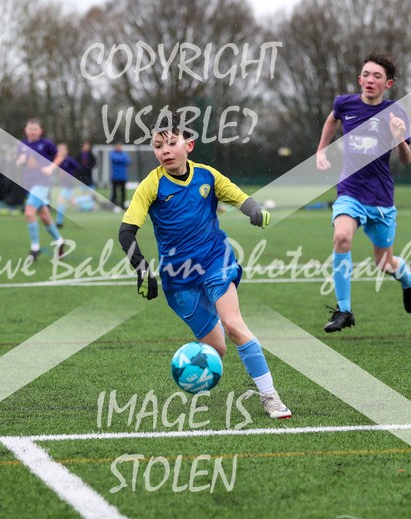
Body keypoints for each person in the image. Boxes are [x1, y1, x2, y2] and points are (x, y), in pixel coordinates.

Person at [118, 114, 291, 419]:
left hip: (215, 262)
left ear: (189, 145)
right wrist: (142, 269)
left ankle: (270, 396)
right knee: (216, 351)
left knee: (235, 326)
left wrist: (254, 211)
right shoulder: (152, 184)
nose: (165, 150)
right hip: (178, 279)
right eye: (158, 146)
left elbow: (240, 198)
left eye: (172, 142)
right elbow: (126, 231)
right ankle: (194, 373)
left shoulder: (208, 177)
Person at [315, 53, 411, 333]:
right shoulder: (344, 103)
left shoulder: (395, 112)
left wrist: (399, 139)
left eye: (377, 76)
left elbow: (407, 159)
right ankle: (344, 310)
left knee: (384, 263)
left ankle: (408, 278)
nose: (370, 80)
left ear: (388, 84)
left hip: (381, 198)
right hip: (350, 191)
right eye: (366, 74)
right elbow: (331, 121)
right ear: (359, 78)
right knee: (341, 236)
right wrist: (321, 150)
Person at [16, 118, 64, 261]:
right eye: (30, 128)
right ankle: (60, 241)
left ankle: (35, 248)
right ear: (25, 130)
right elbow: (19, 163)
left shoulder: (45, 144)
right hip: (29, 184)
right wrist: (21, 161)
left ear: (40, 131)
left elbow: (60, 155)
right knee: (44, 216)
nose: (32, 131)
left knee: (29, 213)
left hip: (42, 183)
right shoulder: (22, 145)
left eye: (35, 129)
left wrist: (51, 168)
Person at [52, 143, 82, 227]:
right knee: (72, 202)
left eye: (62, 150)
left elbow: (78, 168)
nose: (60, 151)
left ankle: (59, 222)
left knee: (60, 201)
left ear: (66, 151)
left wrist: (70, 176)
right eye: (59, 150)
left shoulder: (69, 160)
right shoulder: (57, 160)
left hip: (68, 185)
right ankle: (88, 199)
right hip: (62, 185)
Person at [110, 143, 131, 210]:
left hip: (123, 176)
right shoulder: (113, 153)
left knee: (123, 192)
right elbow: (114, 158)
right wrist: (122, 160)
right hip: (115, 176)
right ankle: (114, 205)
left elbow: (128, 161)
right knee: (114, 192)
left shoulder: (124, 154)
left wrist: (120, 160)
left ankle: (122, 205)